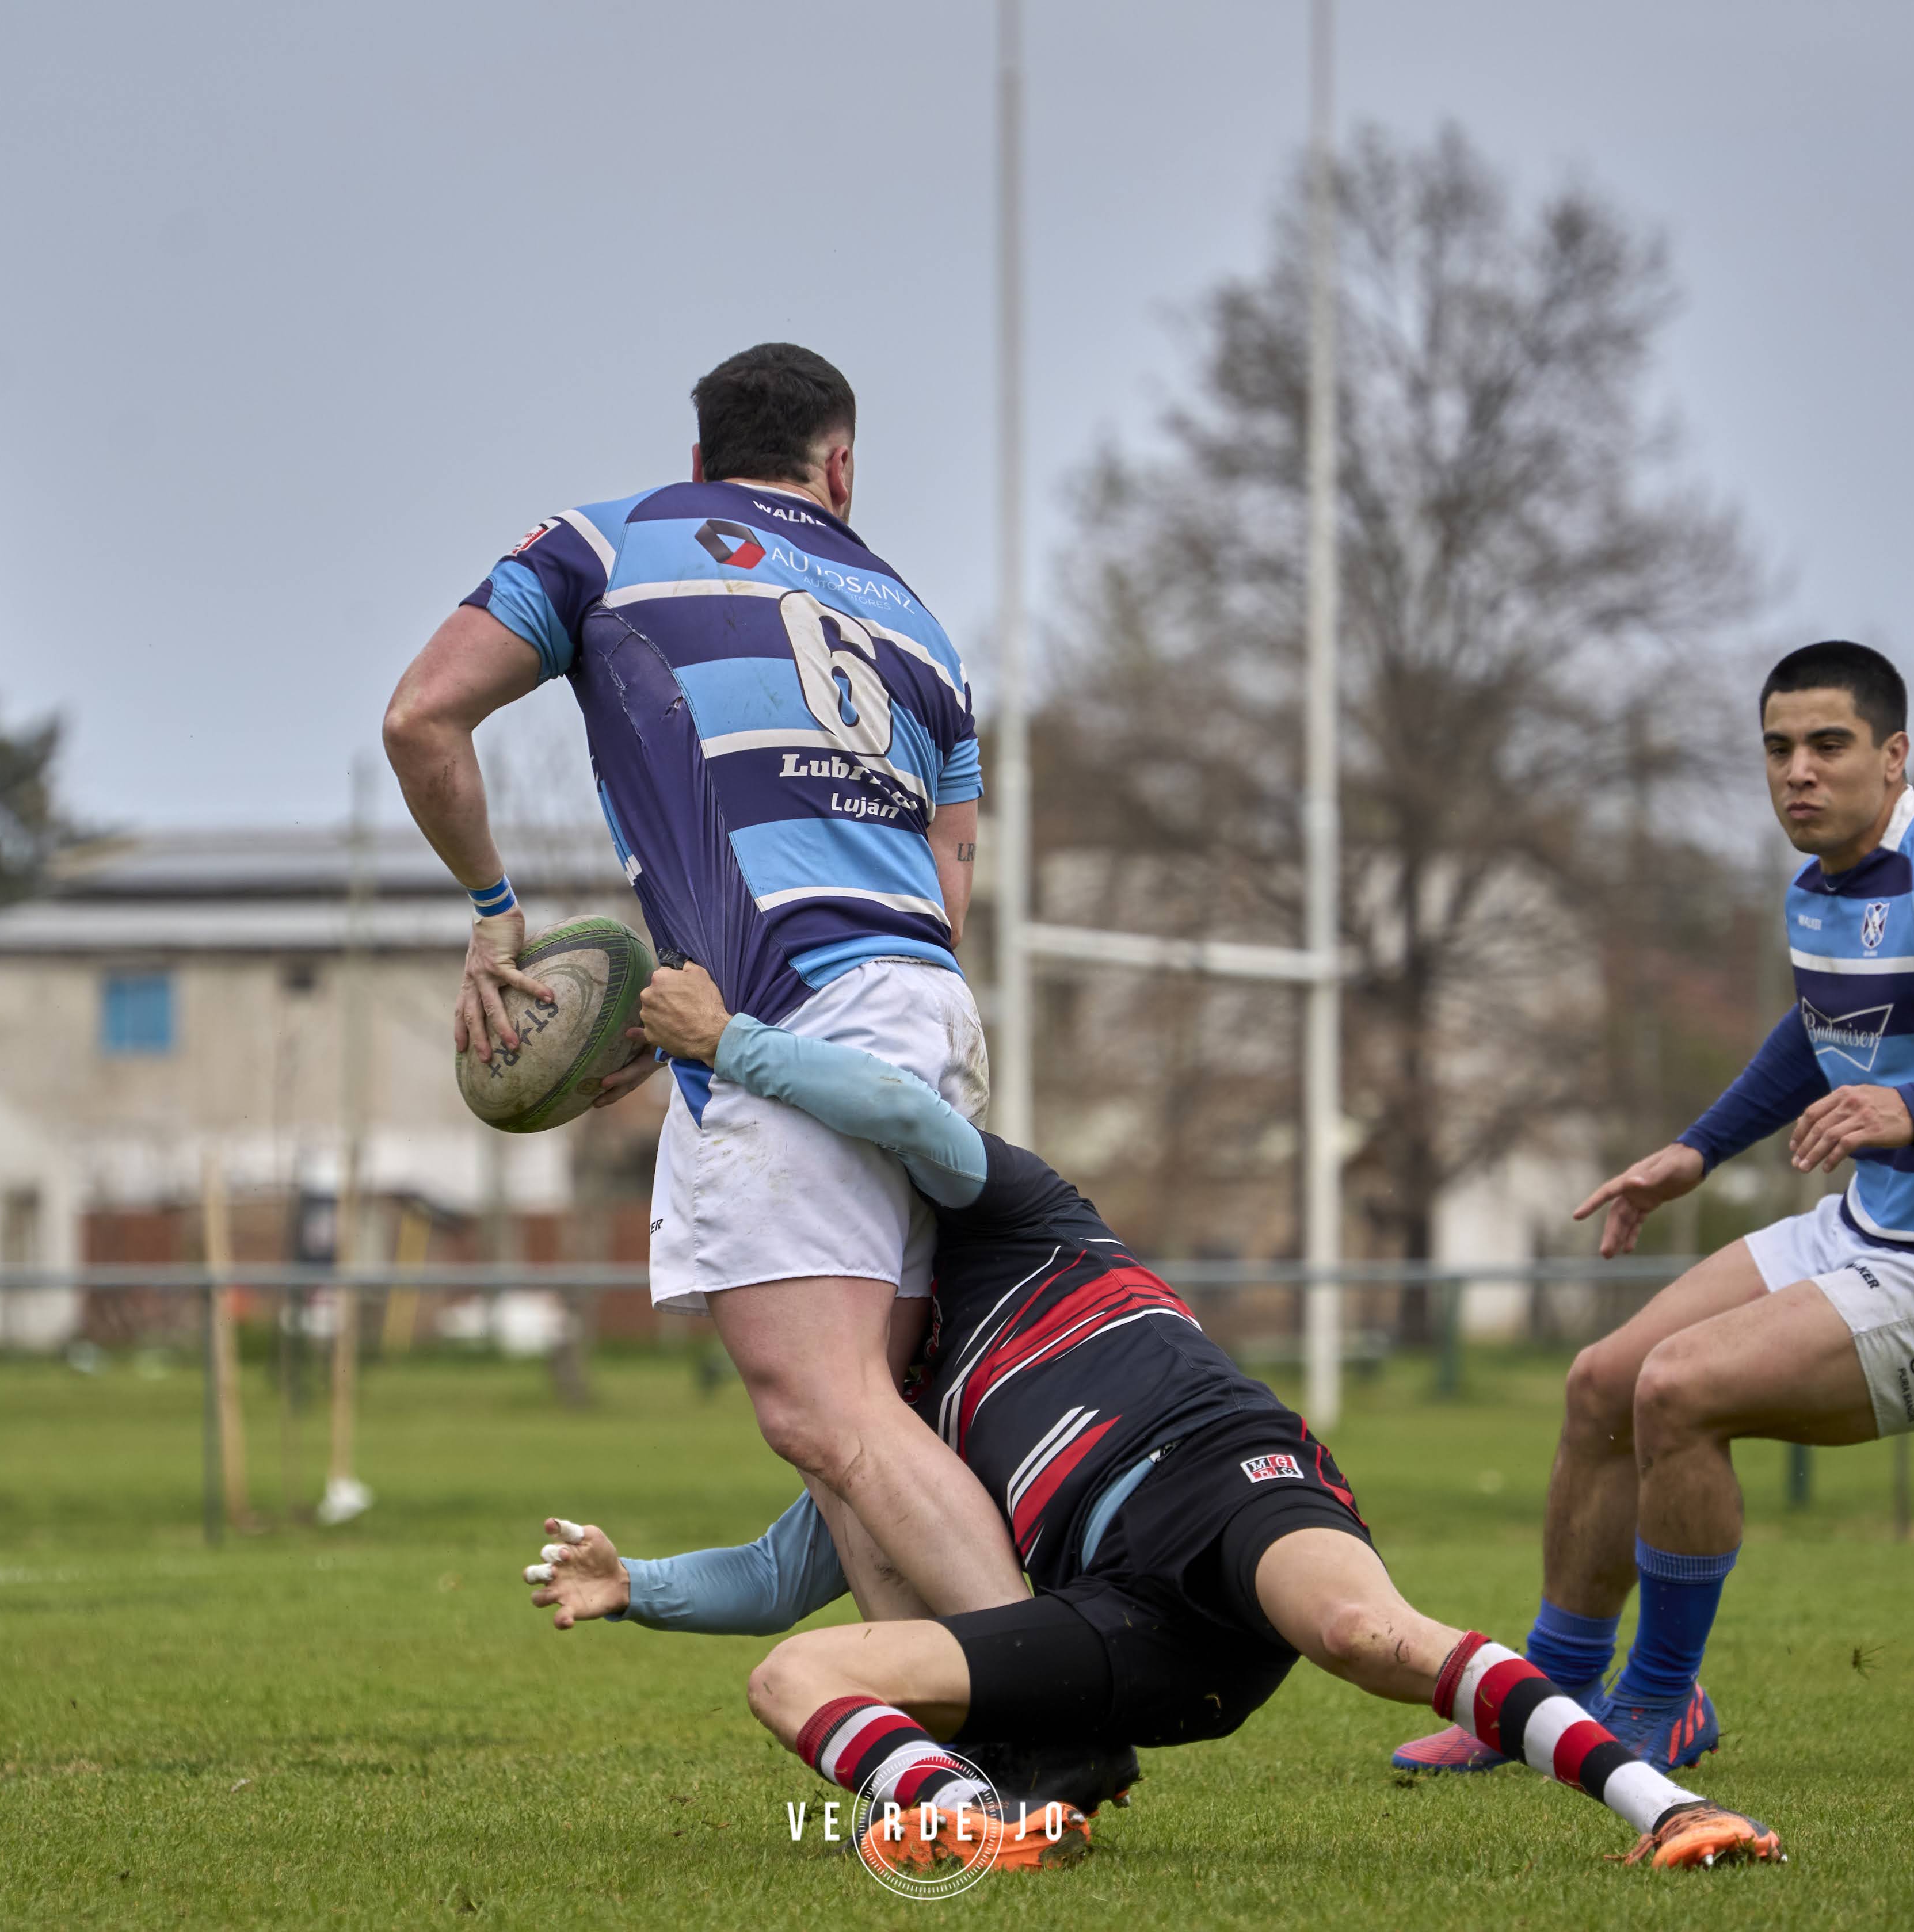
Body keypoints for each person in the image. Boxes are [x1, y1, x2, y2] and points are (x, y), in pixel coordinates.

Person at [522, 961, 1785, 1875]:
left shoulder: (1006, 1206)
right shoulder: (882, 1400)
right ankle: (987, 1816)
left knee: (1364, 1628)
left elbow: (906, 1115)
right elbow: (780, 1569)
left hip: (1228, 1478)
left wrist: (732, 1044)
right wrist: (635, 1584)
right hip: (1118, 1621)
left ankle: (1664, 1803)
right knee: (791, 1675)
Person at [1396, 641, 1914, 1776]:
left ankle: (1662, 1701)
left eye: (1829, 744)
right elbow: (1816, 1027)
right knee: (1602, 1380)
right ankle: (1551, 1693)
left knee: (1677, 1391)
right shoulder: (1820, 888)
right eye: (1779, 747)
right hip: (1867, 1232)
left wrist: (1913, 1109)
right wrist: (1696, 1148)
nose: (1800, 770)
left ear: (1894, 756)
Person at [383, 344, 1022, 1620]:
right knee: (861, 1450)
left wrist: (495, 913)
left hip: (788, 1016)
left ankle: (1046, 1709)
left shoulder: (608, 545)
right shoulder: (923, 629)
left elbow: (422, 717)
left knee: (834, 1421)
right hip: (928, 1021)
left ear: (699, 461)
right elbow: (947, 897)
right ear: (839, 466)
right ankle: (965, 1768)